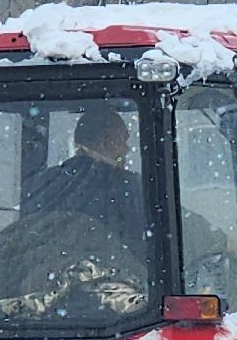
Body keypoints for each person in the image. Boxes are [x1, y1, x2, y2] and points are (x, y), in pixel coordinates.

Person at [22, 105, 146, 250]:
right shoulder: (129, 187)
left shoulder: (42, 183)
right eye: (122, 141)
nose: (126, 149)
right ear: (105, 143)